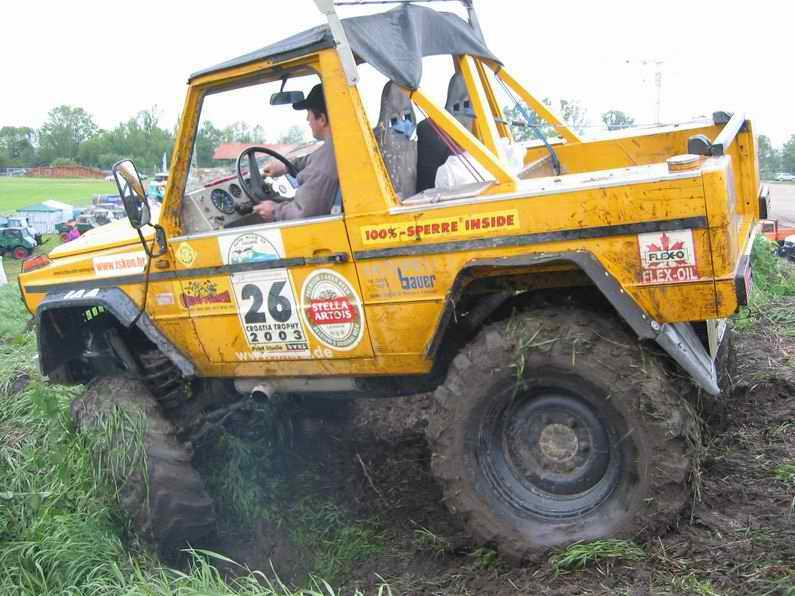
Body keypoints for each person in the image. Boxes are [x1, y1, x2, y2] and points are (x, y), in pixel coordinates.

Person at [250, 84, 338, 222]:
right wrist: (285, 166)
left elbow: (303, 214)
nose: (307, 120)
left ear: (322, 119)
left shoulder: (323, 166)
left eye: (308, 113)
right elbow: (312, 159)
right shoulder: (337, 147)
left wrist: (274, 211)